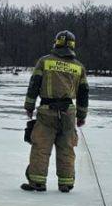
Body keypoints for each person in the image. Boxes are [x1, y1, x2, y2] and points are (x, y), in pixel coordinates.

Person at [21, 30, 88, 192]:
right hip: (68, 113)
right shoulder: (78, 67)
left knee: (41, 147)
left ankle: (37, 182)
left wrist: (29, 106)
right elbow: (83, 92)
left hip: (47, 111)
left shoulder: (45, 62)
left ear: (56, 42)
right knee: (66, 148)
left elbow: (34, 85)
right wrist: (81, 115)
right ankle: (66, 183)